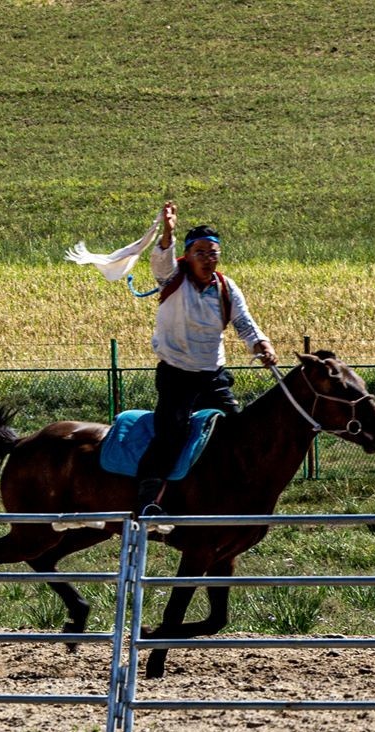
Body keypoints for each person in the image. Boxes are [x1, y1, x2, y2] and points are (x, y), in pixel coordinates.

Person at [134, 201, 278, 514]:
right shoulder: (173, 278)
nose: (207, 259)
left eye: (213, 253)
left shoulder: (226, 287)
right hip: (176, 375)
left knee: (237, 431)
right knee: (171, 434)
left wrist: (262, 345)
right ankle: (148, 500)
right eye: (200, 253)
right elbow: (160, 261)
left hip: (213, 376)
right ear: (187, 255)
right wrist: (168, 233)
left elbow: (244, 323)